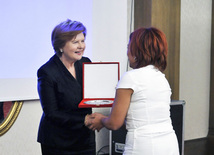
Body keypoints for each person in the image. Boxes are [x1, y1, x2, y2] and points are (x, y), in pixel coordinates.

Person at [85, 27, 179, 155]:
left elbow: (114, 124)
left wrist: (101, 120)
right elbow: (137, 121)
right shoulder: (161, 78)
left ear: (137, 51)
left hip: (143, 145)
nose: (127, 52)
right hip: (169, 144)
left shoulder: (130, 78)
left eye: (129, 47)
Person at [37, 19, 95, 155]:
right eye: (75, 42)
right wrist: (84, 120)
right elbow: (52, 113)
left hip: (84, 139)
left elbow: (93, 96)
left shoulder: (86, 63)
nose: (81, 46)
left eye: (82, 40)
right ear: (61, 46)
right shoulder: (47, 72)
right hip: (58, 142)